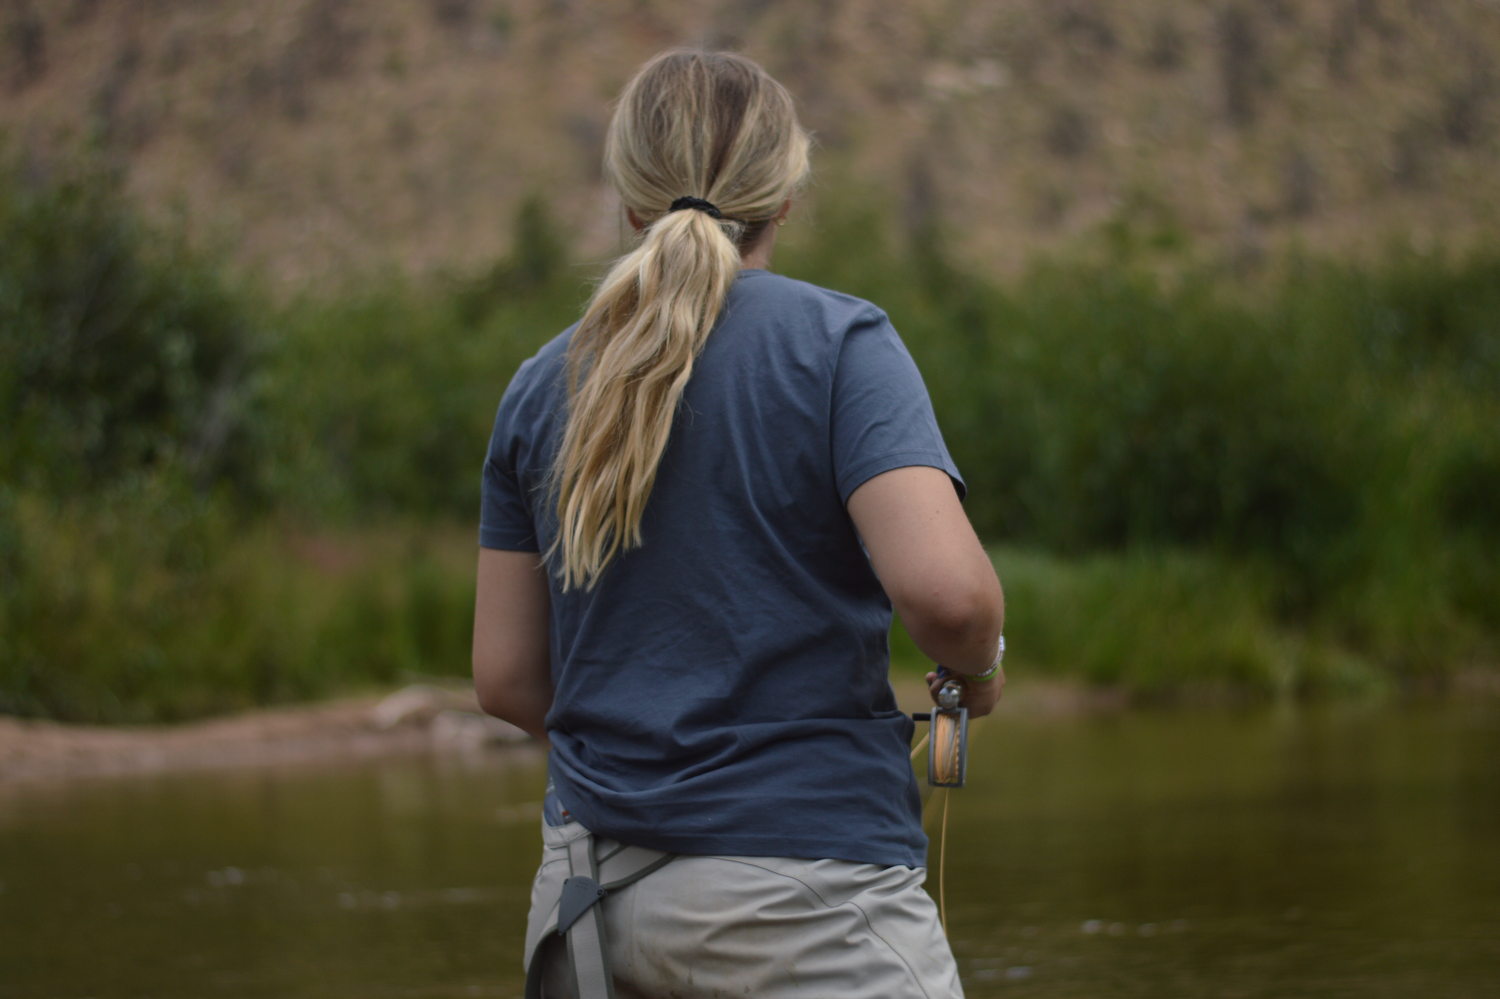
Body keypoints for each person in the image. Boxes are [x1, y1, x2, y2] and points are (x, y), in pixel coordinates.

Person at [473, 48, 1005, 999]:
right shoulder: (844, 345)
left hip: (590, 909)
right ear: (785, 194)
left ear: (631, 200)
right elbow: (951, 600)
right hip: (808, 905)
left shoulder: (532, 387)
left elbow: (509, 679)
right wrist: (984, 669)